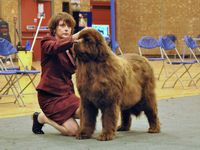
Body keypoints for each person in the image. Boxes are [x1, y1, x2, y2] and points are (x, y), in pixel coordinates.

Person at [32, 12, 82, 136]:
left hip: (67, 94)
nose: (66, 29)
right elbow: (55, 47)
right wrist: (76, 37)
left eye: (69, 26)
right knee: (74, 131)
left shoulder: (72, 47)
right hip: (50, 96)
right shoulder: (47, 41)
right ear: (54, 29)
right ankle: (42, 118)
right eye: (62, 25)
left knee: (87, 111)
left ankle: (63, 116)